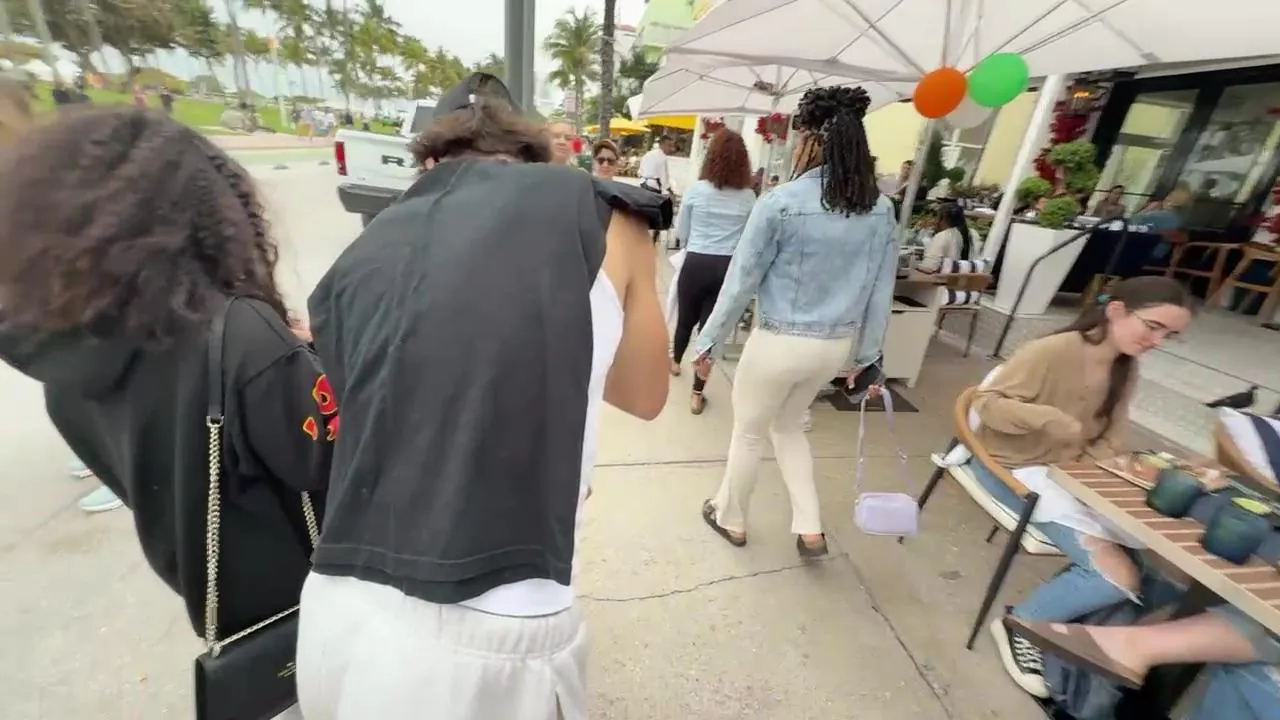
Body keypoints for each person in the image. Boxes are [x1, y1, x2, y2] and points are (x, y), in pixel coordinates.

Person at [296, 73, 671, 720]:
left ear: (429, 163)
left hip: (337, 607)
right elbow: (645, 394)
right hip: (495, 628)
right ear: (534, 153)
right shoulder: (604, 218)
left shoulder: (365, 250)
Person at [0, 107, 331, 717]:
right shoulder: (239, 335)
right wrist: (310, 359)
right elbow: (327, 459)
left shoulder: (65, 353)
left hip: (214, 595)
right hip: (310, 593)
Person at [960, 276, 1193, 699]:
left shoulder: (1125, 366)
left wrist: (1101, 466)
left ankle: (1096, 630)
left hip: (1066, 475)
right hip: (1010, 469)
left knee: (1158, 548)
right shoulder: (1052, 350)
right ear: (1116, 310)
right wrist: (1048, 419)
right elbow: (987, 405)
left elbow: (1112, 436)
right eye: (1153, 326)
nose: (1158, 341)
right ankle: (1022, 625)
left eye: (1169, 335)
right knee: (1115, 575)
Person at [691, 85, 898, 558]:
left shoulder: (781, 202)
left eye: (798, 137)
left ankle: (731, 517)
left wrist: (709, 341)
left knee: (749, 432)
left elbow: (741, 280)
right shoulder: (880, 210)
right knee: (788, 427)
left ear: (810, 140)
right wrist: (869, 357)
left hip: (779, 342)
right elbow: (880, 290)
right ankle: (809, 527)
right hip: (834, 347)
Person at [669, 129, 756, 415]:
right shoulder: (748, 197)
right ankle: (697, 394)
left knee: (685, 320)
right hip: (726, 267)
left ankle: (675, 362)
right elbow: (749, 238)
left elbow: (681, 231)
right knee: (711, 330)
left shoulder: (697, 191)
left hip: (696, 261)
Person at [917, 201, 973, 273]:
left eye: (936, 217)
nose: (934, 221)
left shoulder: (942, 236)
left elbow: (929, 267)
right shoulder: (958, 234)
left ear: (943, 219)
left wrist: (916, 267)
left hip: (939, 277)